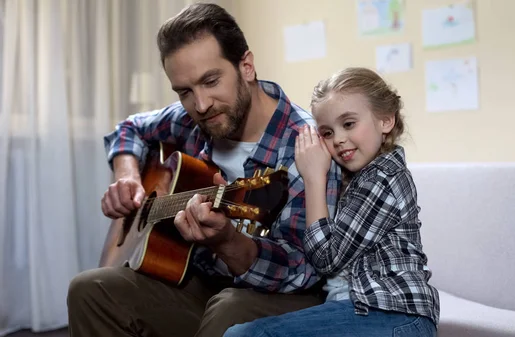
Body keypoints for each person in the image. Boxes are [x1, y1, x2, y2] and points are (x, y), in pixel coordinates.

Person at [66, 2, 342, 337]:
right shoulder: (190, 119)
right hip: (199, 284)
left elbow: (303, 270)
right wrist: (128, 176)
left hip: (281, 298)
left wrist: (228, 242)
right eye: (185, 91)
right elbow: (130, 128)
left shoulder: (305, 146)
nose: (200, 105)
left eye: (210, 81)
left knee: (230, 308)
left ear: (246, 66)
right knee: (90, 288)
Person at [224, 67, 440, 337]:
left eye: (348, 124)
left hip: (395, 314)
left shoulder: (383, 178)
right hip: (360, 310)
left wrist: (313, 177)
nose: (338, 139)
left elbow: (326, 258)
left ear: (385, 120)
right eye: (326, 132)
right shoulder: (356, 177)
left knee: (248, 335)